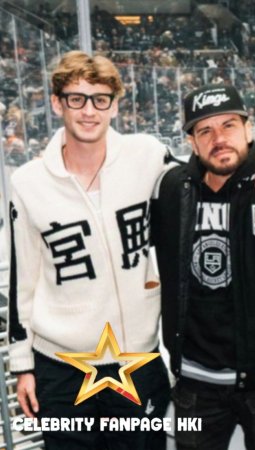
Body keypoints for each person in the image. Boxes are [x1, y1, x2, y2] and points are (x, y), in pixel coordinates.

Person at [8, 50, 170, 449]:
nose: (89, 111)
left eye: (100, 99)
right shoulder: (28, 182)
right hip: (61, 368)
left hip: (138, 361)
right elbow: (22, 281)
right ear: (57, 103)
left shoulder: (147, 156)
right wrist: (23, 366)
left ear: (115, 105)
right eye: (76, 99)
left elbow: (202, 181)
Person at [151, 84, 255, 450]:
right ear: (192, 142)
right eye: (204, 130)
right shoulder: (172, 189)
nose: (218, 139)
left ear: (248, 129)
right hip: (195, 386)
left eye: (228, 126)